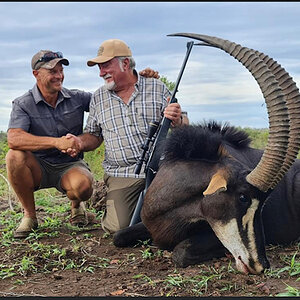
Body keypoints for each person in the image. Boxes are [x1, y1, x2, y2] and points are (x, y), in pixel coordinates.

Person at [6, 49, 159, 238]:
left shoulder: (78, 98)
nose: (59, 76)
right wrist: (56, 143)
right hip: (39, 166)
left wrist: (136, 77)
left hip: (70, 165)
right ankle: (30, 216)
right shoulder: (23, 103)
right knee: (14, 156)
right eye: (53, 72)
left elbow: (109, 96)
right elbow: (14, 138)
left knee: (83, 187)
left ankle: (77, 206)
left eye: (61, 71)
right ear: (36, 74)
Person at [65, 39, 189, 234]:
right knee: (120, 228)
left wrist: (177, 120)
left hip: (162, 170)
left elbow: (183, 125)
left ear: (125, 63)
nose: (101, 72)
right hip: (122, 174)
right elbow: (94, 136)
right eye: (99, 67)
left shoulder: (157, 87)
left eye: (106, 65)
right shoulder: (98, 97)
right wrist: (79, 142)